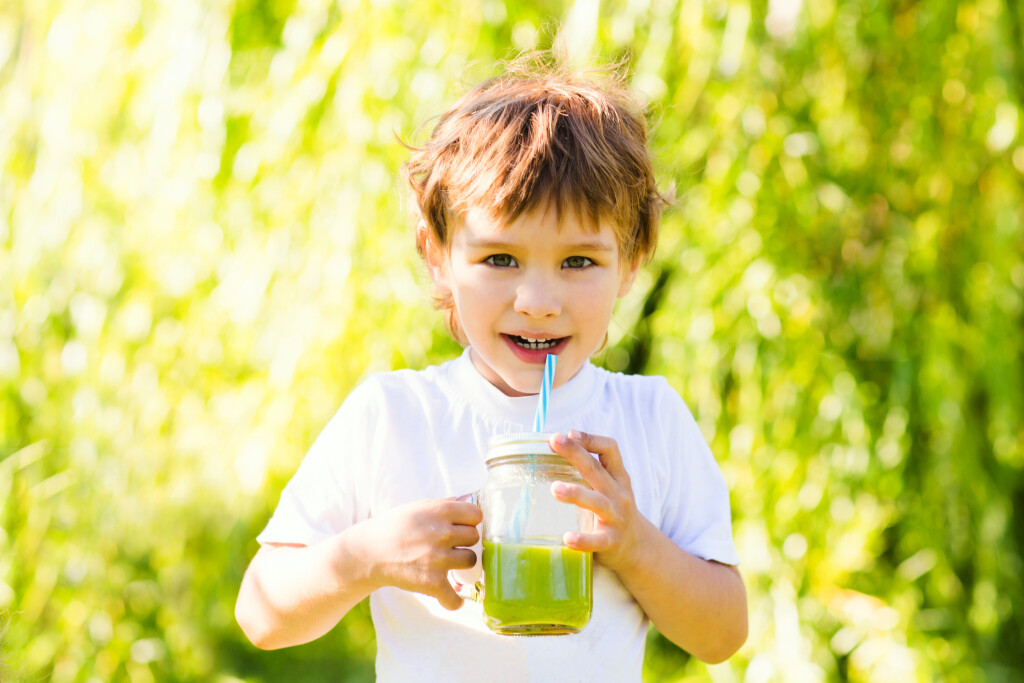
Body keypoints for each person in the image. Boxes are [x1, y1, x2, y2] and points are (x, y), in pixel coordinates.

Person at [235, 53, 748, 681]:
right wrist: (367, 555)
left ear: (632, 262)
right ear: (438, 256)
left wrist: (636, 545)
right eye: (500, 259)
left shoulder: (649, 420)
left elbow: (723, 633)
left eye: (579, 262)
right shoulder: (394, 417)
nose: (537, 302)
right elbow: (262, 615)